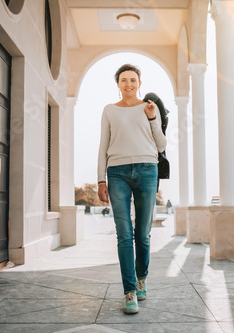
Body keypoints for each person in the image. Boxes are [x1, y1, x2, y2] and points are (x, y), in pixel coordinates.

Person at [97, 64, 167, 314]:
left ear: (140, 83)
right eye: (124, 80)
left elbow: (161, 144)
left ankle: (141, 280)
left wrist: (151, 117)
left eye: (133, 80)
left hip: (148, 170)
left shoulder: (150, 107)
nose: (128, 84)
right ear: (117, 84)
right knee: (124, 234)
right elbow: (103, 145)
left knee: (143, 233)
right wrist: (100, 180)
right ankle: (129, 291)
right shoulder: (109, 111)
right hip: (117, 173)